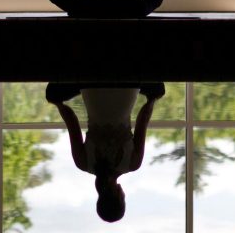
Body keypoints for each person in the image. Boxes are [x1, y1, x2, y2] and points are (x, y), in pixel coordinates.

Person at [46, 82, 165, 222]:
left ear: (120, 196)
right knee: (52, 94)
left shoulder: (133, 163)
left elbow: (144, 118)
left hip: (129, 85)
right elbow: (71, 120)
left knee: (159, 90)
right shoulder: (83, 163)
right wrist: (58, 104)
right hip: (90, 86)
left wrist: (153, 99)